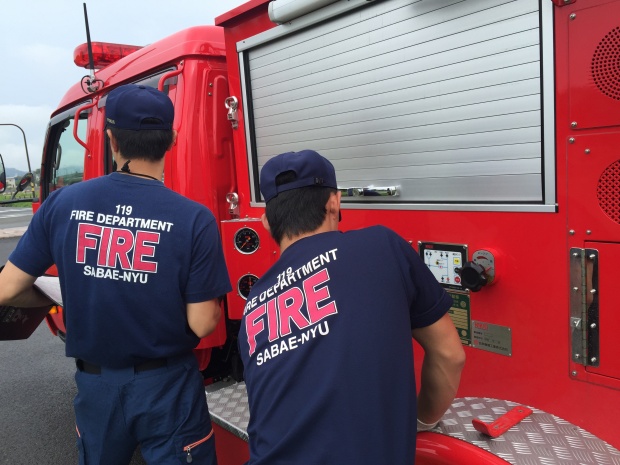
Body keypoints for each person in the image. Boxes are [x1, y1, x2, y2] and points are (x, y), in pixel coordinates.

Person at [0, 84, 231, 465]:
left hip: (96, 385)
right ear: (171, 140)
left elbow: (7, 289)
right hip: (167, 386)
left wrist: (67, 295)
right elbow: (204, 323)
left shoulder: (62, 203)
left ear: (110, 139)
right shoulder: (194, 218)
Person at [238, 149, 466, 465]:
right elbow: (449, 354)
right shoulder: (380, 246)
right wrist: (423, 422)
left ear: (266, 222)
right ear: (334, 202)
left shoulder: (253, 305)